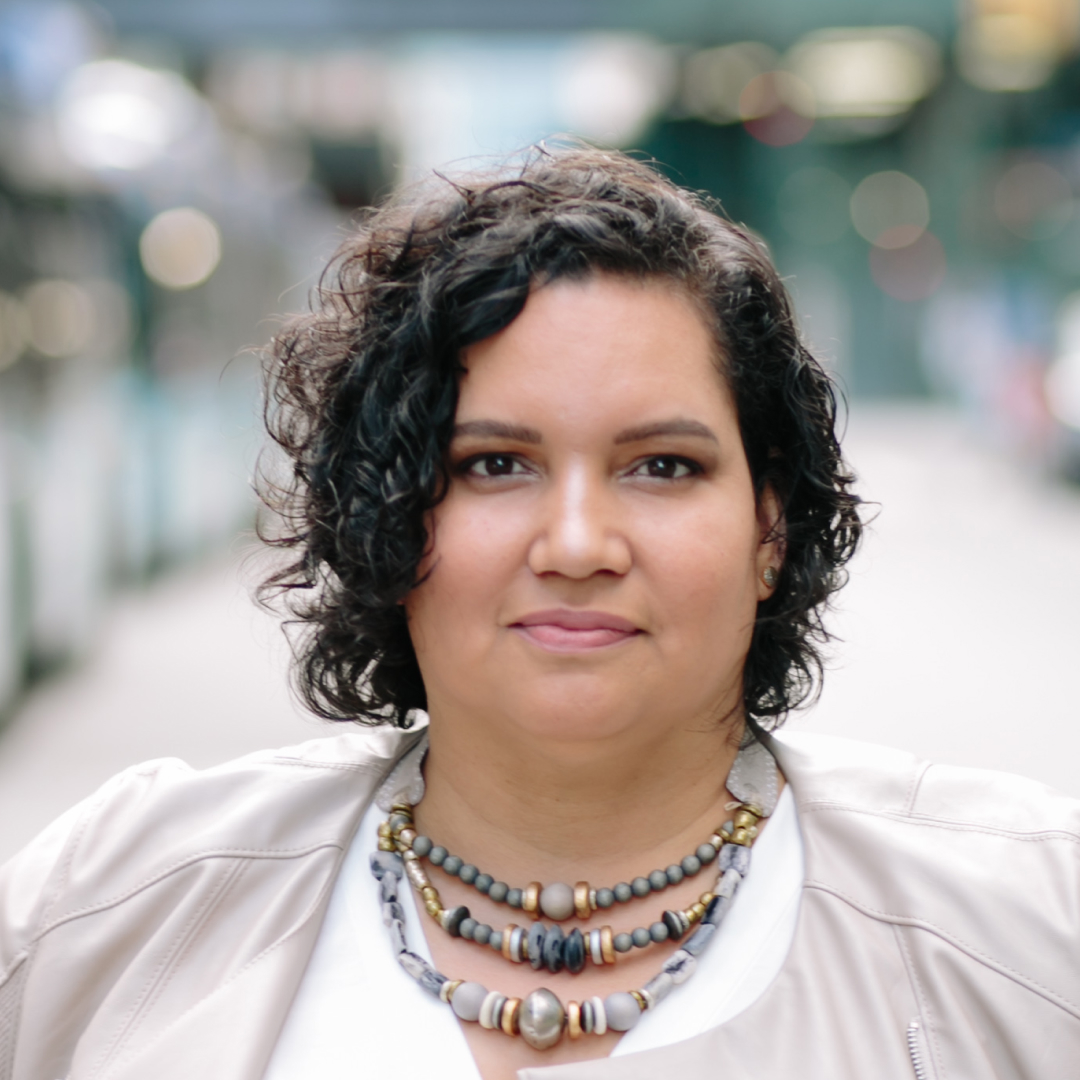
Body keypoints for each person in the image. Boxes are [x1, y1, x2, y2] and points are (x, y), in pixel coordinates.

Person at [0, 147, 1077, 1080]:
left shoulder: (1026, 927)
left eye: (662, 465)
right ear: (385, 515)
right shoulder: (105, 905)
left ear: (770, 529)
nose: (575, 544)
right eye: (494, 464)